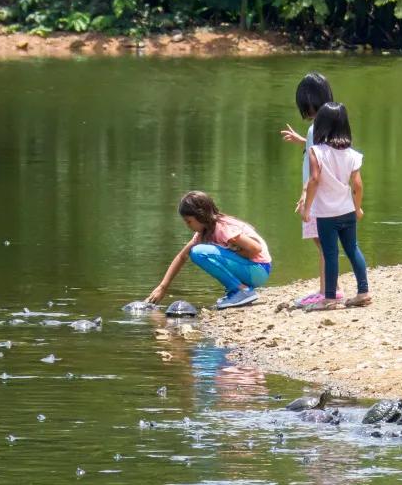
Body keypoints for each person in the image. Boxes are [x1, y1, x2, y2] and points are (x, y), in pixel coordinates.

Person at [146, 191, 271, 310]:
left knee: (198, 252)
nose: (187, 226)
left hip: (259, 269)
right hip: (252, 271)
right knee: (197, 251)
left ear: (201, 216)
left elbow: (256, 249)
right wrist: (163, 287)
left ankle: (241, 291)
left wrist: (229, 254)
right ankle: (238, 291)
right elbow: (182, 256)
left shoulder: (222, 228)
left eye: (189, 221)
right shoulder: (203, 233)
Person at [301, 102, 371, 311]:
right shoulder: (352, 154)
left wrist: (307, 208)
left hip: (326, 214)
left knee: (331, 254)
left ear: (321, 125)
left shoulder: (316, 151)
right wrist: (357, 208)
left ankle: (330, 298)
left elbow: (314, 180)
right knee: (353, 249)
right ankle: (363, 291)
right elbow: (357, 185)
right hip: (347, 210)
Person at [281, 71, 338, 307]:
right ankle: (331, 286)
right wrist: (302, 141)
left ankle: (328, 291)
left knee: (322, 242)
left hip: (317, 194)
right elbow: (329, 151)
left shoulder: (316, 128)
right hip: (322, 192)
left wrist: (306, 195)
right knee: (322, 241)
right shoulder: (328, 125)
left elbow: (318, 165)